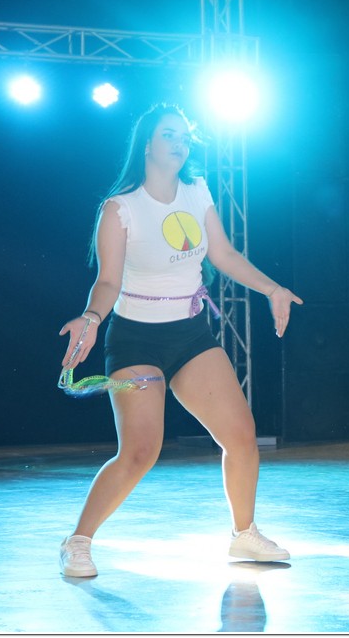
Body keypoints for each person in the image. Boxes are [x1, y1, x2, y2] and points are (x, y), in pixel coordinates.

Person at [57, 104, 303, 578]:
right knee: (140, 452)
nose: (179, 144)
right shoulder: (120, 208)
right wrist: (91, 317)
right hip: (136, 340)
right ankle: (78, 541)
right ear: (147, 144)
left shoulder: (197, 190)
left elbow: (223, 254)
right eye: (169, 135)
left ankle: (244, 534)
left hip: (190, 334)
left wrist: (272, 288)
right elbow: (107, 281)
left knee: (241, 436)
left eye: (185, 137)